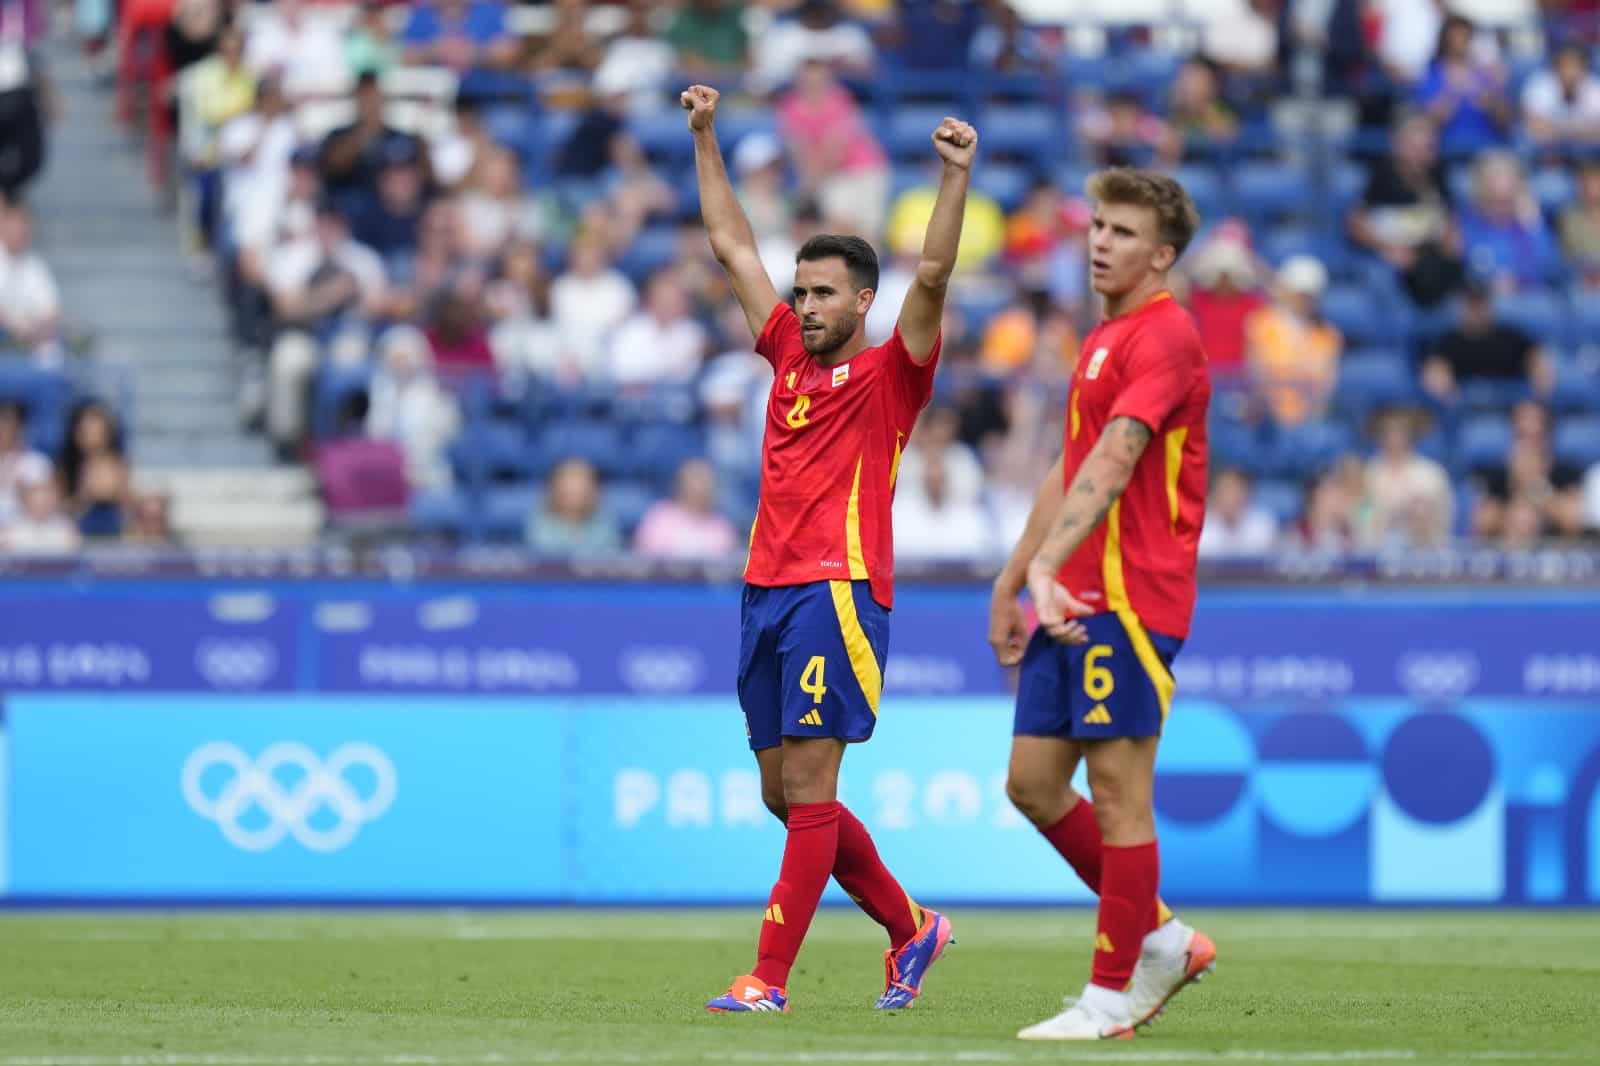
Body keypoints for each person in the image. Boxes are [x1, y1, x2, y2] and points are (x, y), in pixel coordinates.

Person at [683, 82, 974, 1014]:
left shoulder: (894, 375)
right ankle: (911, 927)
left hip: (837, 589)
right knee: (784, 793)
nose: (803, 306)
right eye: (799, 291)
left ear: (862, 299)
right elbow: (731, 243)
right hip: (765, 589)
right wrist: (705, 137)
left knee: (810, 783)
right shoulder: (783, 355)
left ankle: (767, 979)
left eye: (821, 293)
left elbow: (932, 279)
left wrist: (952, 175)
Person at [988, 168, 1216, 1041]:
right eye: (1096, 227)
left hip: (1129, 598)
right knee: (1034, 786)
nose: (1099, 242)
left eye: (1121, 232)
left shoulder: (1166, 337)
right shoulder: (1106, 338)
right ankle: (1159, 935)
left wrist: (1046, 567)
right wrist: (1017, 575)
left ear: (1161, 254)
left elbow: (1119, 457)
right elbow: (1072, 466)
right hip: (1068, 591)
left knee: (1120, 791)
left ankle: (1112, 991)